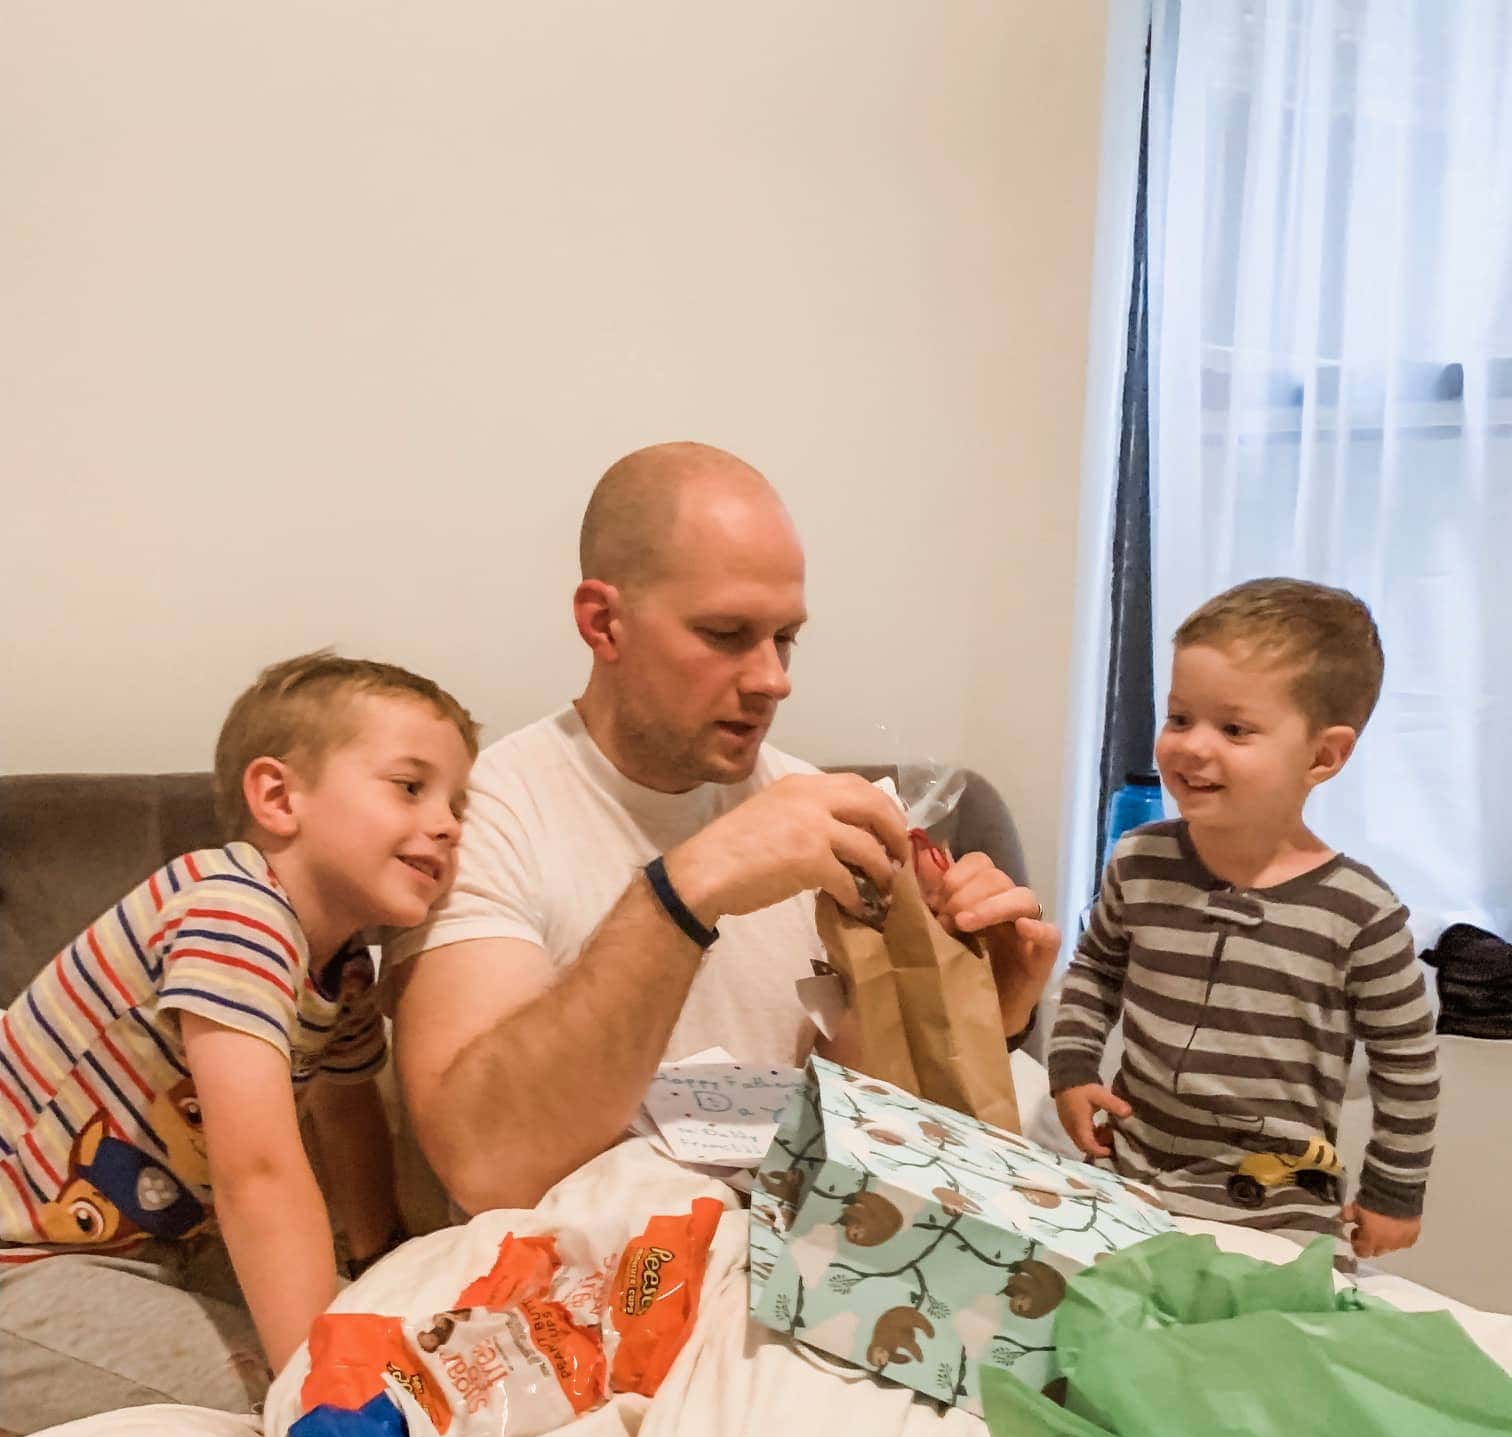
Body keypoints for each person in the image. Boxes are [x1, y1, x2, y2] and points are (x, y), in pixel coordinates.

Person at [391, 442, 1058, 1213]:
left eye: (786, 638)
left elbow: (864, 1145)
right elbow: (487, 1166)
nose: (774, 678)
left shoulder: (824, 809)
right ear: (604, 623)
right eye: (726, 634)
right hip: (585, 1296)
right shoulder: (484, 812)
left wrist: (982, 1016)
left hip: (804, 1274)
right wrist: (685, 890)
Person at [0, 652, 477, 1434]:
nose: (448, 823)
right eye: (410, 786)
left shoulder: (347, 967)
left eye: (459, 802)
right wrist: (326, 1388)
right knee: (288, 1394)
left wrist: (379, 1257)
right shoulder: (233, 908)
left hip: (147, 1251)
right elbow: (255, 1167)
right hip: (20, 1271)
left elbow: (347, 1109)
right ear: (279, 796)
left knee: (402, 1337)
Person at [1050, 578, 1438, 1259]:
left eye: (1233, 729)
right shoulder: (1140, 860)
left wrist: (1393, 1193)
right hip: (1130, 1179)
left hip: (1279, 1209)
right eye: (1179, 718)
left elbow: (1406, 1065)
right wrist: (1073, 1067)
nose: (1193, 746)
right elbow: (1095, 970)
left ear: (1324, 755)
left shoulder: (1360, 913)